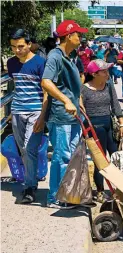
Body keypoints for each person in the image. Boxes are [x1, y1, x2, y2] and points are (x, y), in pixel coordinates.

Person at [41, 20, 89, 209]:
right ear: (69, 36)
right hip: (61, 116)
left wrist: (78, 101)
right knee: (61, 157)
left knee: (71, 156)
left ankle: (68, 193)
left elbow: (70, 87)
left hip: (74, 115)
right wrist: (65, 100)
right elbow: (46, 82)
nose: (81, 38)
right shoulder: (55, 56)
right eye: (79, 34)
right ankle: (55, 197)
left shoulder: (70, 56)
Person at [7, 29, 46, 204]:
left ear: (29, 45)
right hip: (17, 111)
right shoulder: (11, 63)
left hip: (35, 111)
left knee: (29, 148)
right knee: (23, 149)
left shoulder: (40, 63)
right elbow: (15, 86)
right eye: (13, 47)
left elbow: (46, 91)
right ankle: (32, 177)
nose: (17, 50)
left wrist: (43, 116)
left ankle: (29, 187)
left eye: (21, 46)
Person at [81, 60, 123, 203]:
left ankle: (121, 188)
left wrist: (122, 125)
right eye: (104, 71)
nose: (107, 74)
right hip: (93, 128)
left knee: (116, 157)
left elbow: (115, 105)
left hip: (108, 125)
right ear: (94, 74)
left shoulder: (108, 86)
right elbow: (81, 109)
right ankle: (100, 190)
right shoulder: (83, 89)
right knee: (99, 161)